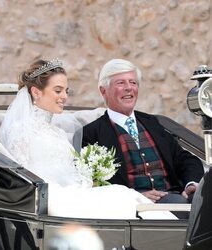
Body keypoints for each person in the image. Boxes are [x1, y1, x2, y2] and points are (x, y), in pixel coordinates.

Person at [0, 58, 177, 220]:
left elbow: (71, 170)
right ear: (36, 92)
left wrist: (89, 181)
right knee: (122, 198)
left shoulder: (57, 132)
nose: (64, 97)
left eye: (66, 91)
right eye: (58, 90)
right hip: (51, 198)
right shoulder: (20, 131)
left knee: (124, 194)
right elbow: (22, 178)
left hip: (74, 191)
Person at [82, 58, 204, 206]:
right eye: (121, 83)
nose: (129, 88)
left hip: (175, 197)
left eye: (133, 82)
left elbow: (186, 159)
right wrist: (136, 196)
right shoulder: (91, 133)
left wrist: (191, 184)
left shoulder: (152, 123)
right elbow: (93, 185)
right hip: (132, 211)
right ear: (103, 91)